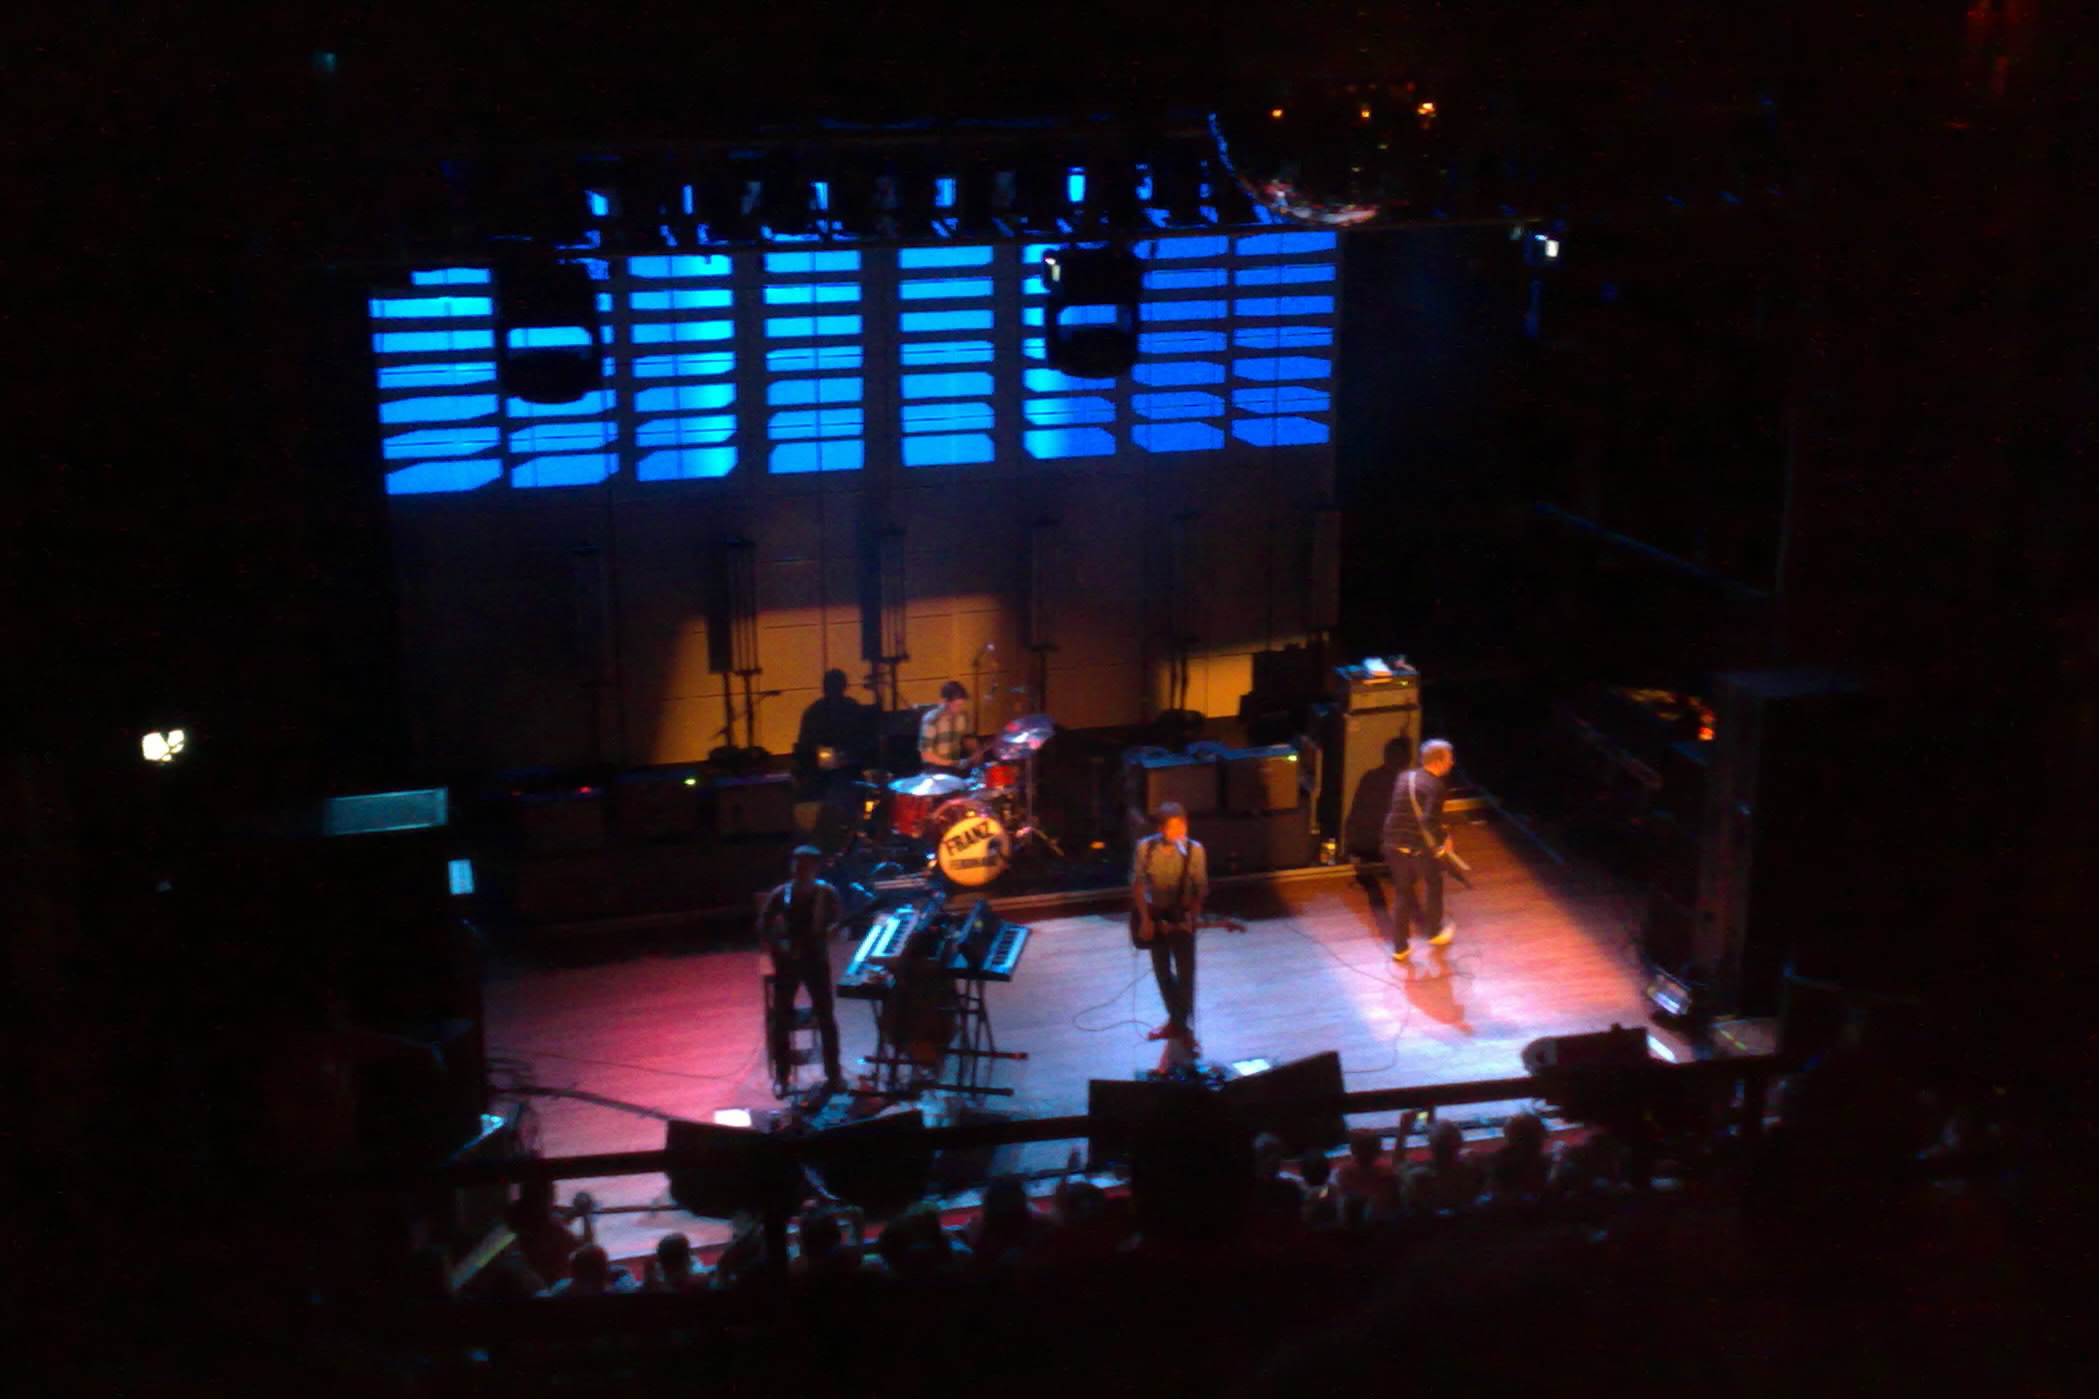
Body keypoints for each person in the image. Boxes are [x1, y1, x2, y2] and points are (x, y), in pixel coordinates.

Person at [759, 845, 846, 1092]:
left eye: (806, 864)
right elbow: (764, 927)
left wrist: (834, 930)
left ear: (815, 867)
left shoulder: (827, 893)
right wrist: (780, 948)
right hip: (787, 961)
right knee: (781, 1018)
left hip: (815, 959)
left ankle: (834, 1073)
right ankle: (782, 1075)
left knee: (826, 1016)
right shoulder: (781, 893)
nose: (800, 869)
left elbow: (839, 923)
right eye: (797, 864)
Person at [1129, 801, 1210, 1050]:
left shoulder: (1195, 850)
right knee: (1162, 972)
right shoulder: (1146, 848)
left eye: (1182, 826)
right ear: (1161, 828)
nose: (1179, 832)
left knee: (1186, 975)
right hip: (1155, 916)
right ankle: (1176, 1023)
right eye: (1173, 827)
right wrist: (1144, 919)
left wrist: (1191, 917)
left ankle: (1183, 1027)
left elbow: (1201, 889)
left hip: (1181, 916)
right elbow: (1138, 885)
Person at [1382, 737, 1458, 963]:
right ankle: (1434, 932)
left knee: (1403, 893)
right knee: (1434, 881)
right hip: (1415, 847)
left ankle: (1400, 947)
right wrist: (1444, 840)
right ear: (1440, 761)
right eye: (1449, 759)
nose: (1452, 763)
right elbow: (1428, 821)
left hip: (1392, 843)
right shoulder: (1436, 786)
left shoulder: (1404, 777)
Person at [917, 680, 978, 774]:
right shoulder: (931, 719)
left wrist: (975, 752)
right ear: (945, 702)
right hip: (935, 769)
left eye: (962, 705)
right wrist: (953, 764)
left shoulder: (963, 716)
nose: (960, 709)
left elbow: (968, 739)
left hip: (956, 767)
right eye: (957, 705)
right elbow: (926, 755)